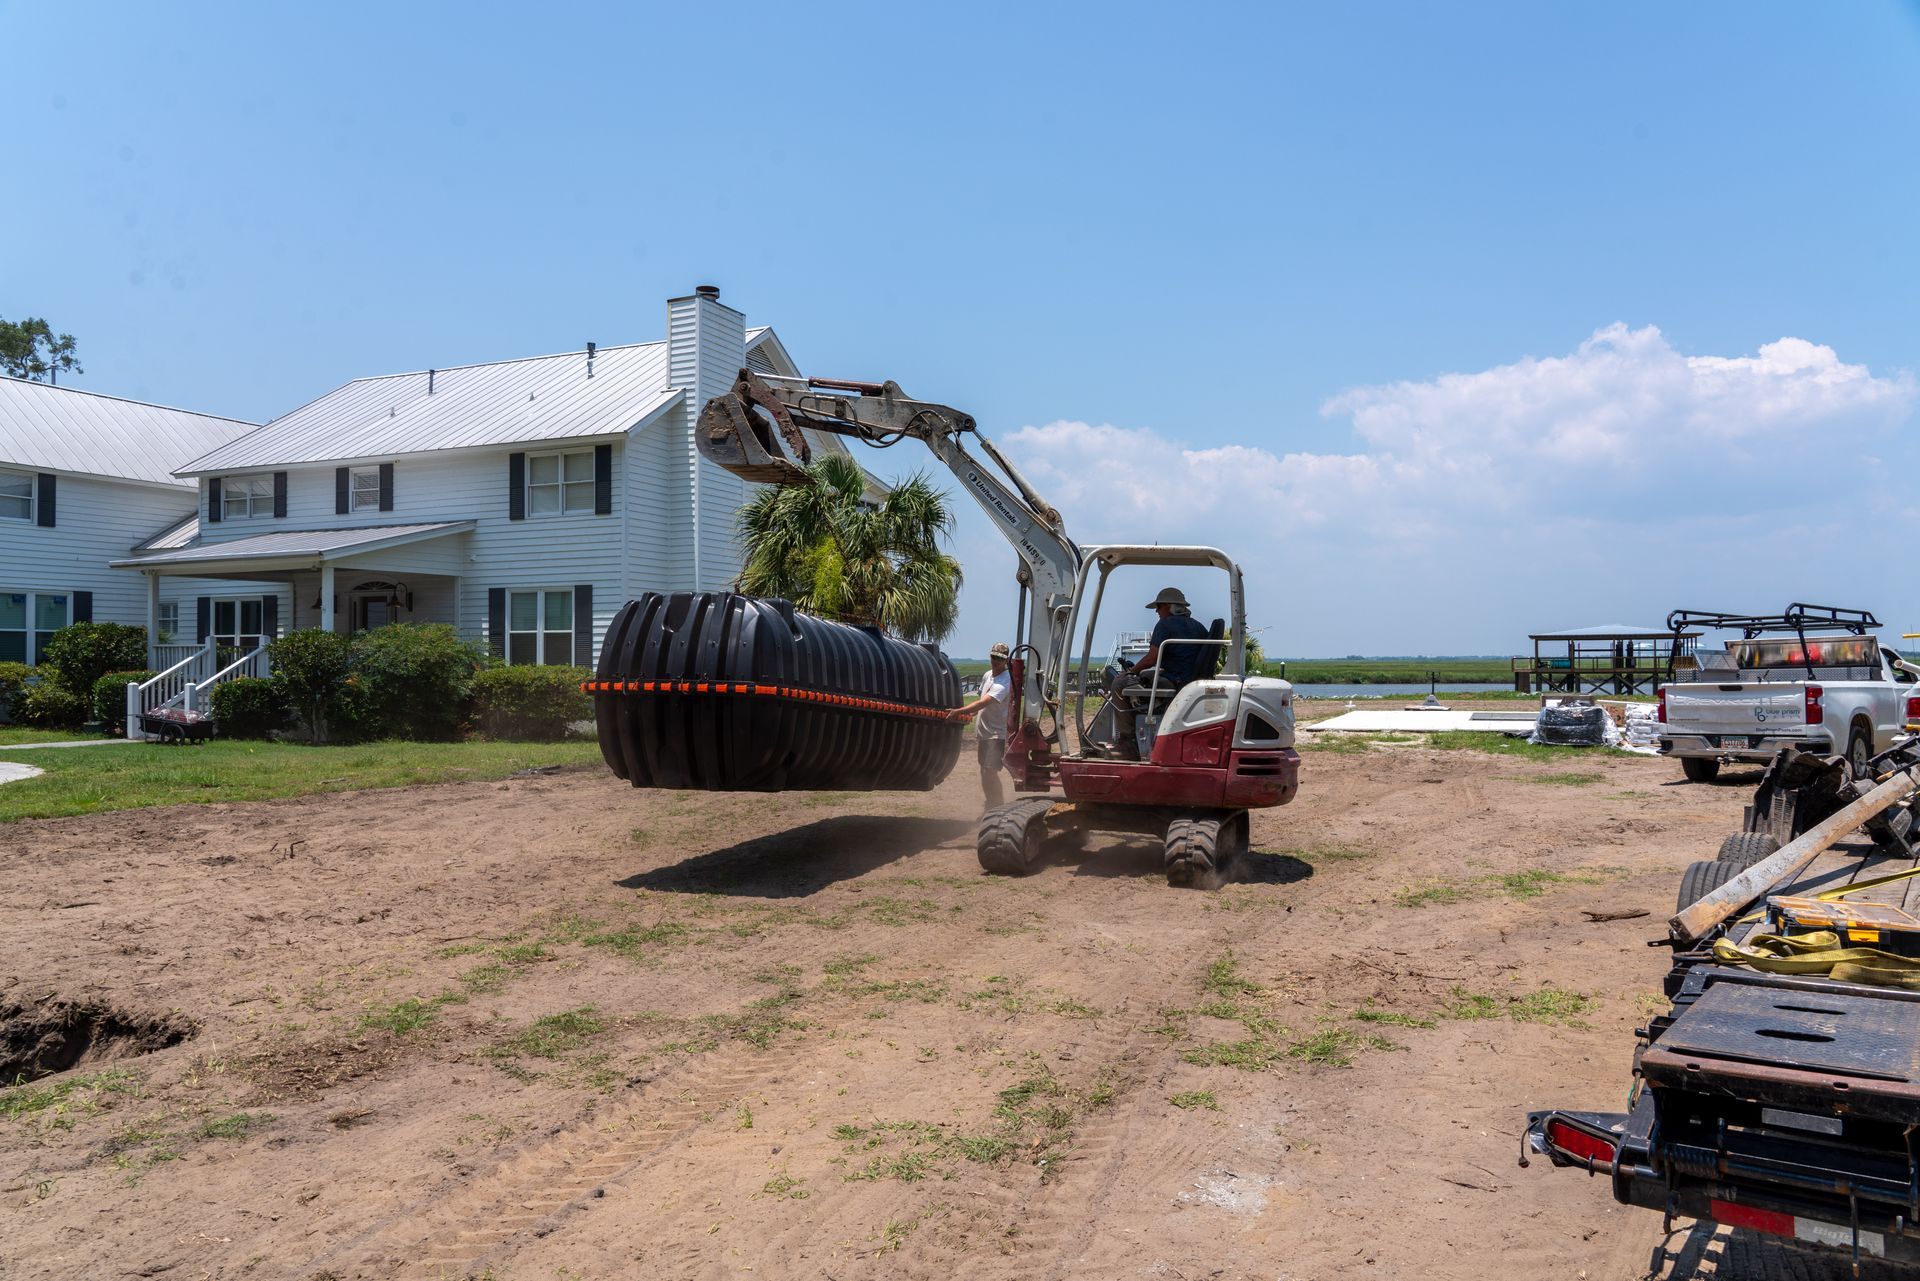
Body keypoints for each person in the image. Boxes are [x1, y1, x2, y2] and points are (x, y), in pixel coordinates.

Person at [1110, 587, 1210, 759]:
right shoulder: (1199, 627)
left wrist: (1131, 671)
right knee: (1145, 675)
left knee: (1118, 684)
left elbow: (1151, 658)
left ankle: (1127, 743)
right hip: (1190, 680)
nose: (1156, 611)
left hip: (1174, 680)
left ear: (1168, 606)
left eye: (1158, 606)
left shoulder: (1164, 625)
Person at [949, 642, 1013, 811]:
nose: (995, 661)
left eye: (1000, 658)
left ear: (1006, 661)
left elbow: (984, 701)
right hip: (985, 733)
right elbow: (982, 703)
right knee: (984, 772)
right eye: (993, 657)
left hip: (996, 734)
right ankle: (991, 806)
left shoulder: (1005, 681)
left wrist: (958, 711)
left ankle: (997, 807)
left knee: (989, 772)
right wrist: (971, 714)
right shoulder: (988, 676)